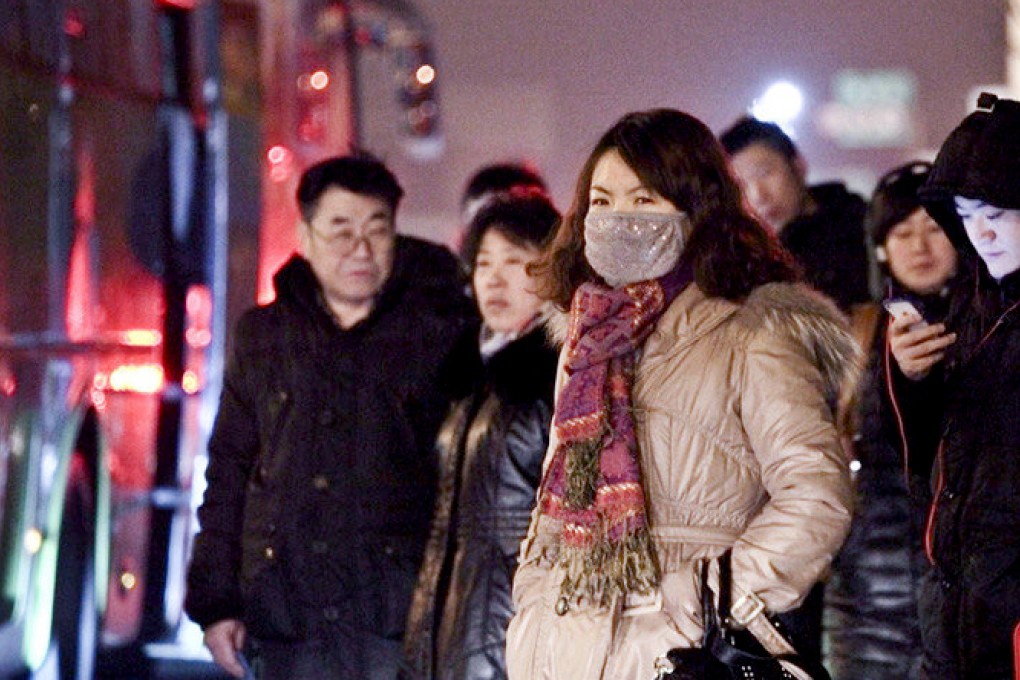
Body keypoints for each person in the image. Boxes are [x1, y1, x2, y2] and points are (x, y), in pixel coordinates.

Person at [504, 108, 854, 680]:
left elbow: (817, 495)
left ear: (696, 208)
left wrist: (708, 598)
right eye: (601, 201)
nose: (618, 218)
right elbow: (554, 501)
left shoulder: (752, 330)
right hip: (566, 649)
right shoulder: (587, 339)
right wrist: (532, 603)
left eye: (644, 201)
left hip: (683, 655)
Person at [184, 153, 477, 679]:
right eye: (340, 230)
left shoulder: (439, 334)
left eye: (376, 230)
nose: (359, 249)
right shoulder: (263, 336)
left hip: (398, 618)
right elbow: (228, 470)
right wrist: (216, 602)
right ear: (304, 235)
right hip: (284, 616)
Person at [888, 93, 1020, 680]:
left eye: (996, 214)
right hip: (955, 637)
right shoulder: (978, 311)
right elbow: (937, 480)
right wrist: (914, 381)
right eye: (966, 216)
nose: (982, 235)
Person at [402, 192, 561, 680]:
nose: (495, 277)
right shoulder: (465, 374)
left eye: (516, 261)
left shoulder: (561, 374)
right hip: (442, 629)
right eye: (484, 262)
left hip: (519, 637)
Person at [824, 161, 960, 680]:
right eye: (903, 232)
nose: (920, 246)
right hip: (864, 601)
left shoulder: (983, 325)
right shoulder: (853, 335)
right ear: (881, 245)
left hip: (954, 604)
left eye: (934, 229)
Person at [720, 116, 871, 312]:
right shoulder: (742, 256)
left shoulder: (862, 228)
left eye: (764, 173)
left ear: (798, 165)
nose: (758, 195)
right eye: (741, 185)